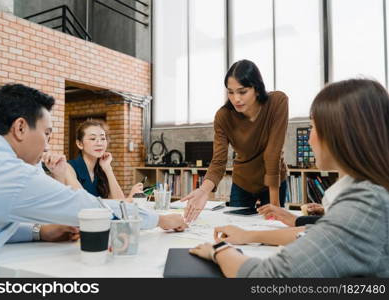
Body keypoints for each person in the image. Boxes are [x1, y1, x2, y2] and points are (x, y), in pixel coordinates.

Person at [0, 83, 187, 276]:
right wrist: (160, 220)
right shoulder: (12, 173)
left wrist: (39, 232)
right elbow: (91, 209)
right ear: (20, 128)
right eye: (46, 133)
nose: (47, 145)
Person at [190, 78, 389, 277]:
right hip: (244, 181)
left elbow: (265, 278)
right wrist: (253, 234)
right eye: (231, 92)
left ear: (342, 134)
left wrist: (219, 250)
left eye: (313, 127)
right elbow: (320, 233)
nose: (309, 138)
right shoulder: (371, 193)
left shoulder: (363, 205)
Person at [181, 60, 289, 223]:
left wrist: (275, 203)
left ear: (257, 89)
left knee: (272, 228)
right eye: (230, 92)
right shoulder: (223, 116)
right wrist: (203, 191)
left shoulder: (277, 102)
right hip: (242, 183)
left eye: (242, 91)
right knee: (236, 229)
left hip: (273, 183)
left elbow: (272, 153)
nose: (236, 98)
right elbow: (218, 161)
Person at [64, 119, 143, 200]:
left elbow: (119, 202)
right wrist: (129, 200)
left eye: (102, 138)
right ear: (80, 144)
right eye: (92, 139)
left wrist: (108, 168)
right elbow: (85, 202)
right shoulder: (68, 168)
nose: (99, 143)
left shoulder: (102, 170)